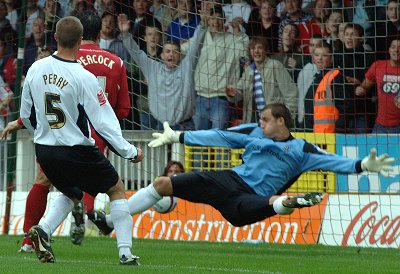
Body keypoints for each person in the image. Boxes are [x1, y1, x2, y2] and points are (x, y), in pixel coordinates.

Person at [88, 103, 394, 233]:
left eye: (265, 119)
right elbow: (221, 137)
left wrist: (362, 164)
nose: (260, 123)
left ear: (281, 122)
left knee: (275, 203)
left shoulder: (302, 150)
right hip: (226, 181)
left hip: (250, 200)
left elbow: (334, 163)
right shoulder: (254, 134)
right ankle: (112, 224)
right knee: (164, 183)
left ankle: (294, 202)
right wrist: (180, 136)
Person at [5, 16, 142, 265]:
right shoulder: (84, 77)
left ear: (55, 37)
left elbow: (26, 113)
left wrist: (41, 130)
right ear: (80, 40)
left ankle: (42, 230)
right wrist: (130, 151)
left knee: (71, 191)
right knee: (116, 188)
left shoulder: (35, 68)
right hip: (76, 148)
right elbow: (104, 122)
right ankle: (125, 253)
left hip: (45, 149)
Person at [118, 11, 206, 130]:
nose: (171, 54)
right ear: (162, 55)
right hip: (160, 126)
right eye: (168, 51)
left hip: (185, 125)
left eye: (175, 51)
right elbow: (136, 53)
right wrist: (125, 34)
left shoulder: (186, 67)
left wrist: (203, 24)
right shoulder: (153, 68)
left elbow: (196, 45)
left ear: (180, 56)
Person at [226, 36, 297, 123]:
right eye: (253, 48)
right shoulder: (249, 71)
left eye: (260, 48)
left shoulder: (275, 66)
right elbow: (239, 93)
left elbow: (291, 93)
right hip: (253, 122)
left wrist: (287, 118)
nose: (256, 51)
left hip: (274, 121)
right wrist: (232, 93)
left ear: (265, 50)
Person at [355, 38, 400, 134]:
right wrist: (360, 89)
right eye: (393, 47)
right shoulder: (378, 66)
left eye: (399, 48)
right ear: (389, 50)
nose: (396, 50)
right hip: (380, 126)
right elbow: (364, 87)